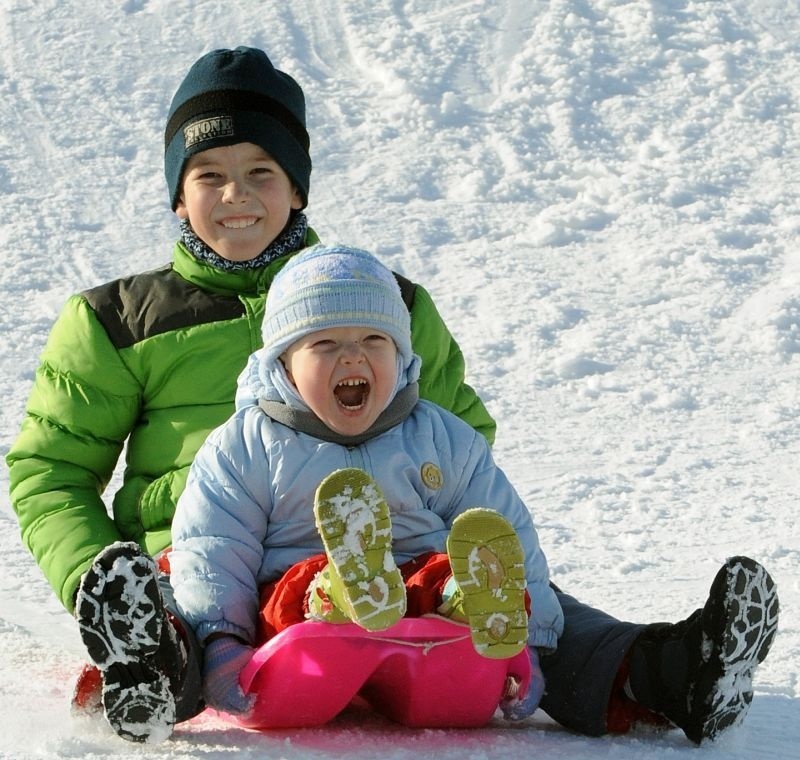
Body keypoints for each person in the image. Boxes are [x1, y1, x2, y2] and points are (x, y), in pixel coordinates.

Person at [5, 44, 778, 746]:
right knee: (186, 614)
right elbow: (52, 472)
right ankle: (146, 659)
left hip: (394, 557)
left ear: (298, 188)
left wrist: (411, 519)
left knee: (527, 602)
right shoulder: (116, 321)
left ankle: (670, 673)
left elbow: (455, 436)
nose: (235, 194)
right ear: (177, 195)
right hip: (199, 560)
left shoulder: (385, 301)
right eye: (208, 175)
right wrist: (102, 576)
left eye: (261, 172)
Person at [165, 244, 561, 727]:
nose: (353, 355)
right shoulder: (248, 445)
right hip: (303, 622)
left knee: (450, 568)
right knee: (291, 590)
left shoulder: (441, 437)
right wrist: (222, 640)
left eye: (375, 340)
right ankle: (338, 592)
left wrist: (530, 643)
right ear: (283, 365)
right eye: (325, 344)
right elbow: (215, 546)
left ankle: (464, 601)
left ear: (401, 355)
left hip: (423, 618)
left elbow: (507, 531)